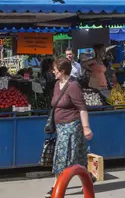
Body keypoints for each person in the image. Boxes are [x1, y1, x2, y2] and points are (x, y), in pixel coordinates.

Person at [46, 57, 93, 198]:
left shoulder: (73, 85)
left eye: (55, 70)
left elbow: (82, 108)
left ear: (62, 71)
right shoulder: (57, 84)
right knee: (76, 156)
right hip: (60, 127)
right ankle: (87, 179)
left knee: (64, 156)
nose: (53, 72)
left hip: (72, 126)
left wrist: (86, 127)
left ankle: (56, 187)